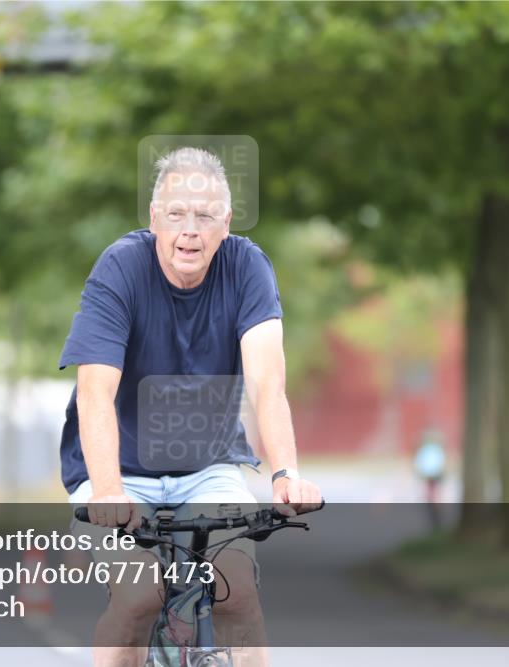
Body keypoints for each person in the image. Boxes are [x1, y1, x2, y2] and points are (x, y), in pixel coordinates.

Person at [58, 146, 322, 667]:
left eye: (205, 216)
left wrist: (286, 472)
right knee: (139, 600)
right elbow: (95, 394)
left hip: (209, 469)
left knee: (238, 593)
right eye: (176, 214)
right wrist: (109, 489)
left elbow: (268, 385)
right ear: (155, 218)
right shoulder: (122, 268)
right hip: (120, 474)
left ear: (226, 224)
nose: (190, 230)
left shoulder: (247, 267)